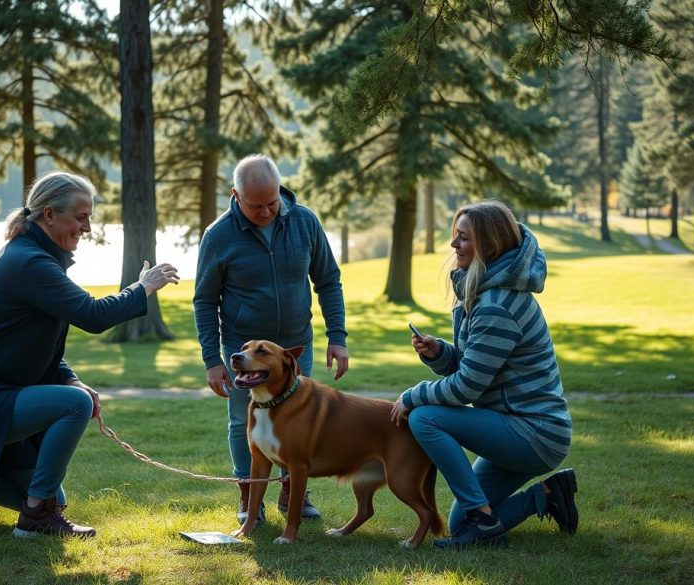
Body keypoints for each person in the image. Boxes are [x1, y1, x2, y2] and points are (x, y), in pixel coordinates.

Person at [0, 171, 180, 538]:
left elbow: (35, 348)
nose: (88, 227)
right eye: (80, 217)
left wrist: (71, 378)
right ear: (48, 215)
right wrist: (142, 288)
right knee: (73, 406)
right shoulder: (29, 263)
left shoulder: (34, 258)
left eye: (88, 217)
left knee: (54, 495)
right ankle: (34, 520)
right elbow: (93, 315)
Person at [390, 200, 577, 549]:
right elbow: (478, 367)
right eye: (454, 236)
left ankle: (485, 518)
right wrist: (442, 353)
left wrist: (412, 396)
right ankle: (548, 495)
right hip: (518, 425)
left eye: (462, 238)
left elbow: (467, 387)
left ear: (488, 247)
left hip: (534, 431)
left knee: (425, 417)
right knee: (463, 522)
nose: (453, 245)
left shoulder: (496, 306)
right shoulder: (485, 294)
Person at [194, 154, 349, 524]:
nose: (266, 212)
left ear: (280, 190)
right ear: (236, 195)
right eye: (255, 205)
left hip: (296, 347)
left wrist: (337, 336)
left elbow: (328, 280)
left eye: (272, 202)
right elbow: (204, 300)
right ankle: (250, 497)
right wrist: (212, 360)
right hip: (243, 352)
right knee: (241, 422)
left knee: (300, 420)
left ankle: (293, 491)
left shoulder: (305, 221)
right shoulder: (218, 235)